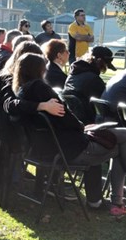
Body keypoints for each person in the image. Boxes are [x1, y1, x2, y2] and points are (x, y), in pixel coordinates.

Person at [14, 52, 126, 216]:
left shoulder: (22, 91)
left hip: (49, 148)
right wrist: (83, 127)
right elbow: (66, 117)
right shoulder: (41, 90)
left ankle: (104, 201)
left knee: (120, 140)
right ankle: (114, 201)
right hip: (73, 149)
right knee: (121, 144)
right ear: (39, 69)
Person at [62, 46, 114, 124]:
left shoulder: (73, 74)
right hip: (89, 120)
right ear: (99, 61)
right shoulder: (94, 79)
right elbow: (105, 103)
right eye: (106, 65)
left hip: (73, 118)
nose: (105, 69)